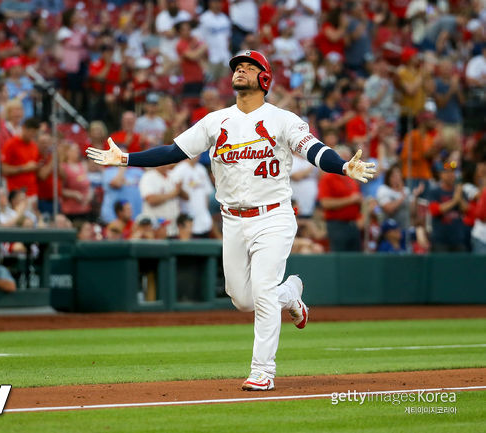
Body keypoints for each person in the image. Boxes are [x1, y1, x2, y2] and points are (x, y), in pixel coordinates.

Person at [87, 50, 375, 391]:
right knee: (242, 299)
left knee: (263, 294)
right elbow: (173, 151)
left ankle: (262, 371)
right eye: (238, 66)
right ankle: (292, 294)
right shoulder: (215, 120)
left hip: (274, 216)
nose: (240, 70)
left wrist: (341, 165)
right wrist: (125, 158)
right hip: (233, 221)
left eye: (249, 67)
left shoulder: (282, 118)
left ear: (264, 79)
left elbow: (313, 150)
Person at [1, 117, 40, 198]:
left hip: (32, 191)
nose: (33, 135)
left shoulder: (34, 146)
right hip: (15, 192)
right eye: (31, 132)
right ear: (24, 128)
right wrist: (24, 168)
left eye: (35, 133)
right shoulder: (11, 144)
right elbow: (3, 169)